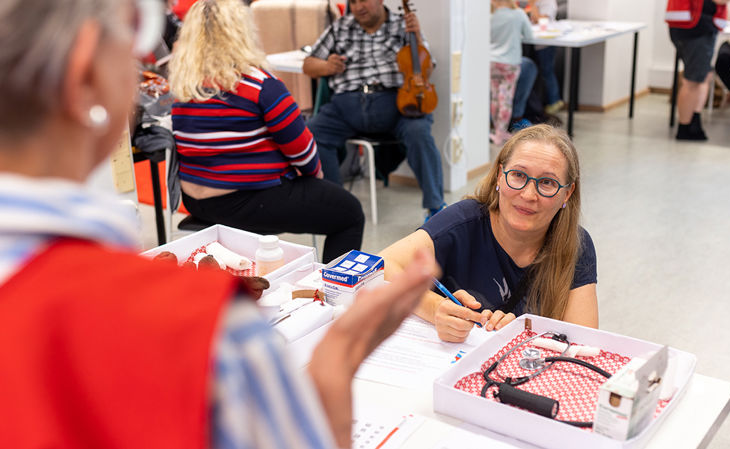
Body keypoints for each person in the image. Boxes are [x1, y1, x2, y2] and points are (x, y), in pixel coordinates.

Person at [0, 1, 438, 448]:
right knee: (345, 209)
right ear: (86, 74)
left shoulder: (184, 85)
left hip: (200, 204)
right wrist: (336, 363)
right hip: (255, 203)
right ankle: (331, 294)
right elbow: (307, 157)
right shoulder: (210, 330)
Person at [169, 0, 364, 264]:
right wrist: (314, 177)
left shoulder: (184, 85)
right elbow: (303, 151)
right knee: (349, 213)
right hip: (250, 201)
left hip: (196, 200)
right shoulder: (259, 84)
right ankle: (336, 293)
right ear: (241, 32)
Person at [380, 125, 597, 343]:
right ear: (499, 177)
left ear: (567, 193)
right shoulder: (462, 222)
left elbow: (584, 345)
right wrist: (435, 307)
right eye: (518, 175)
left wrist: (522, 336)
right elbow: (380, 264)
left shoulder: (576, 244)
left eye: (547, 183)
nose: (529, 194)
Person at [303, 0, 446, 221]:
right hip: (346, 105)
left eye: (364, 0)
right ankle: (335, 205)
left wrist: (416, 36)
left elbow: (428, 65)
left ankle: (436, 208)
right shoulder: (340, 27)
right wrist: (327, 66)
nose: (359, 6)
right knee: (311, 133)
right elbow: (308, 64)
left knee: (419, 131)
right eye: (353, 1)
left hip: (395, 104)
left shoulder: (403, 25)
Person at [666, 0, 730, 141]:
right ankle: (684, 128)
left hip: (690, 26)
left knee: (703, 76)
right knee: (693, 81)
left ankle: (694, 120)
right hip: (696, 28)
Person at [489, 0, 536, 145]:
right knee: (505, 98)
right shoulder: (518, 14)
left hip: (491, 61)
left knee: (495, 97)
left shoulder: (489, 15)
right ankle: (501, 133)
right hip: (510, 63)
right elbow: (529, 37)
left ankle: (496, 129)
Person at [530, 0, 565, 115]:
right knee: (544, 72)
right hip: (538, 43)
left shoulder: (548, 2)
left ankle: (554, 101)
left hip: (545, 44)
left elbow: (539, 20)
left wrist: (532, 4)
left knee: (547, 72)